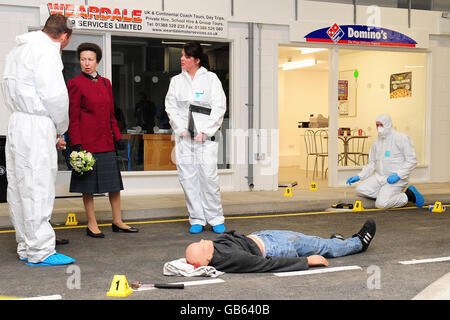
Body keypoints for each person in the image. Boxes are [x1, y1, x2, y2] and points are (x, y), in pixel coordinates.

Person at [2, 14, 75, 266]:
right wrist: (60, 128)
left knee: (19, 186)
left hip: (17, 122)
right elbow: (55, 97)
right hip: (36, 123)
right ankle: (41, 251)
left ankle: (25, 245)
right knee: (38, 186)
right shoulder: (47, 51)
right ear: (64, 36)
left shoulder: (18, 50)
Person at [67, 42, 138, 238]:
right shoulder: (74, 84)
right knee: (88, 187)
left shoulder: (106, 83)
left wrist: (117, 136)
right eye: (83, 59)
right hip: (87, 143)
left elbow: (111, 114)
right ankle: (92, 223)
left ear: (97, 61)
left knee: (114, 185)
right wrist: (77, 144)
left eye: (90, 59)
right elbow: (73, 117)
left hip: (106, 141)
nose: (86, 63)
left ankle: (117, 221)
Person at [165, 41, 227, 234]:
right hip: (184, 138)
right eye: (182, 55)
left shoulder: (211, 79)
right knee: (187, 178)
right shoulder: (176, 81)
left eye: (186, 56)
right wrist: (181, 129)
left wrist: (206, 131)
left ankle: (215, 218)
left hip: (205, 139)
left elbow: (219, 107)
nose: (182, 59)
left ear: (197, 60)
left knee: (208, 178)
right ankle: (197, 219)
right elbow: (171, 107)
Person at [185, 219, 376, 273]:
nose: (202, 240)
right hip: (277, 246)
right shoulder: (231, 258)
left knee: (315, 241)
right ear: (208, 259)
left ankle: (336, 242)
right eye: (201, 246)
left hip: (265, 237)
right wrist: (306, 262)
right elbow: (266, 264)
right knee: (321, 247)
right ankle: (358, 243)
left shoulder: (216, 250)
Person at [346, 114, 424, 209]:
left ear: (388, 124)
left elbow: (412, 161)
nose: (379, 128)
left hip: (396, 179)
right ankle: (386, 195)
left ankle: (408, 195)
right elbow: (372, 163)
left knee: (381, 204)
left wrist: (398, 175)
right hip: (380, 178)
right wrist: (359, 176)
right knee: (360, 189)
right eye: (377, 125)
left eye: (381, 125)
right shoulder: (377, 143)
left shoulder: (401, 138)